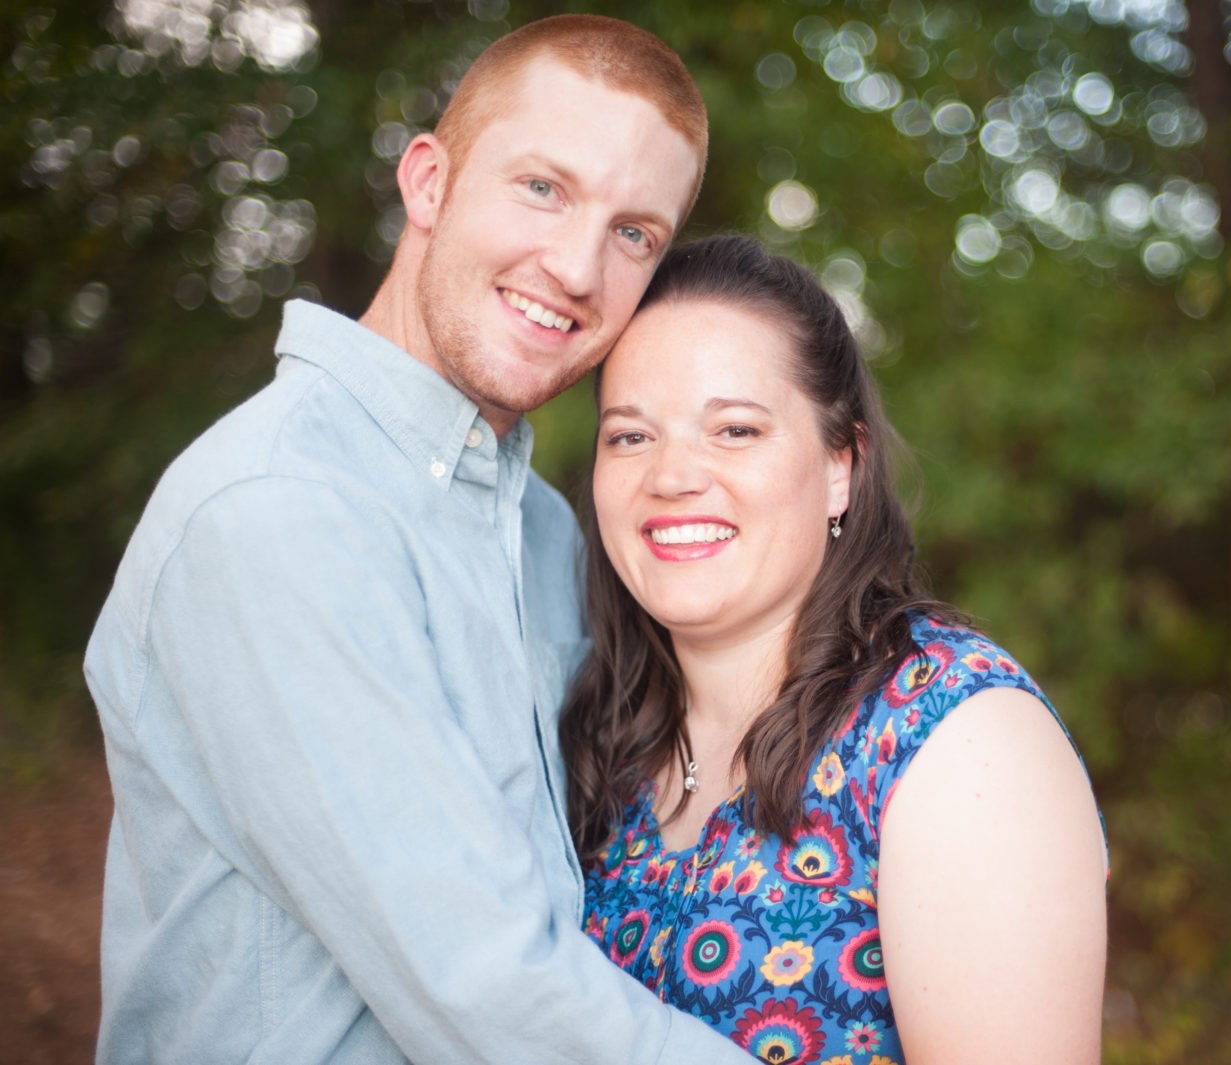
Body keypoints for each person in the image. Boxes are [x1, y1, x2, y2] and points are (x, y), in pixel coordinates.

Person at [83, 15, 751, 1065]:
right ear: (430, 183)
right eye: (543, 188)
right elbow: (485, 986)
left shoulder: (542, 533)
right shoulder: (278, 509)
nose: (576, 266)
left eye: (634, 234)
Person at [561, 234, 1110, 1064]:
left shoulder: (956, 739)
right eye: (630, 436)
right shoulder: (599, 732)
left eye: (736, 429)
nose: (672, 475)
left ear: (842, 464)